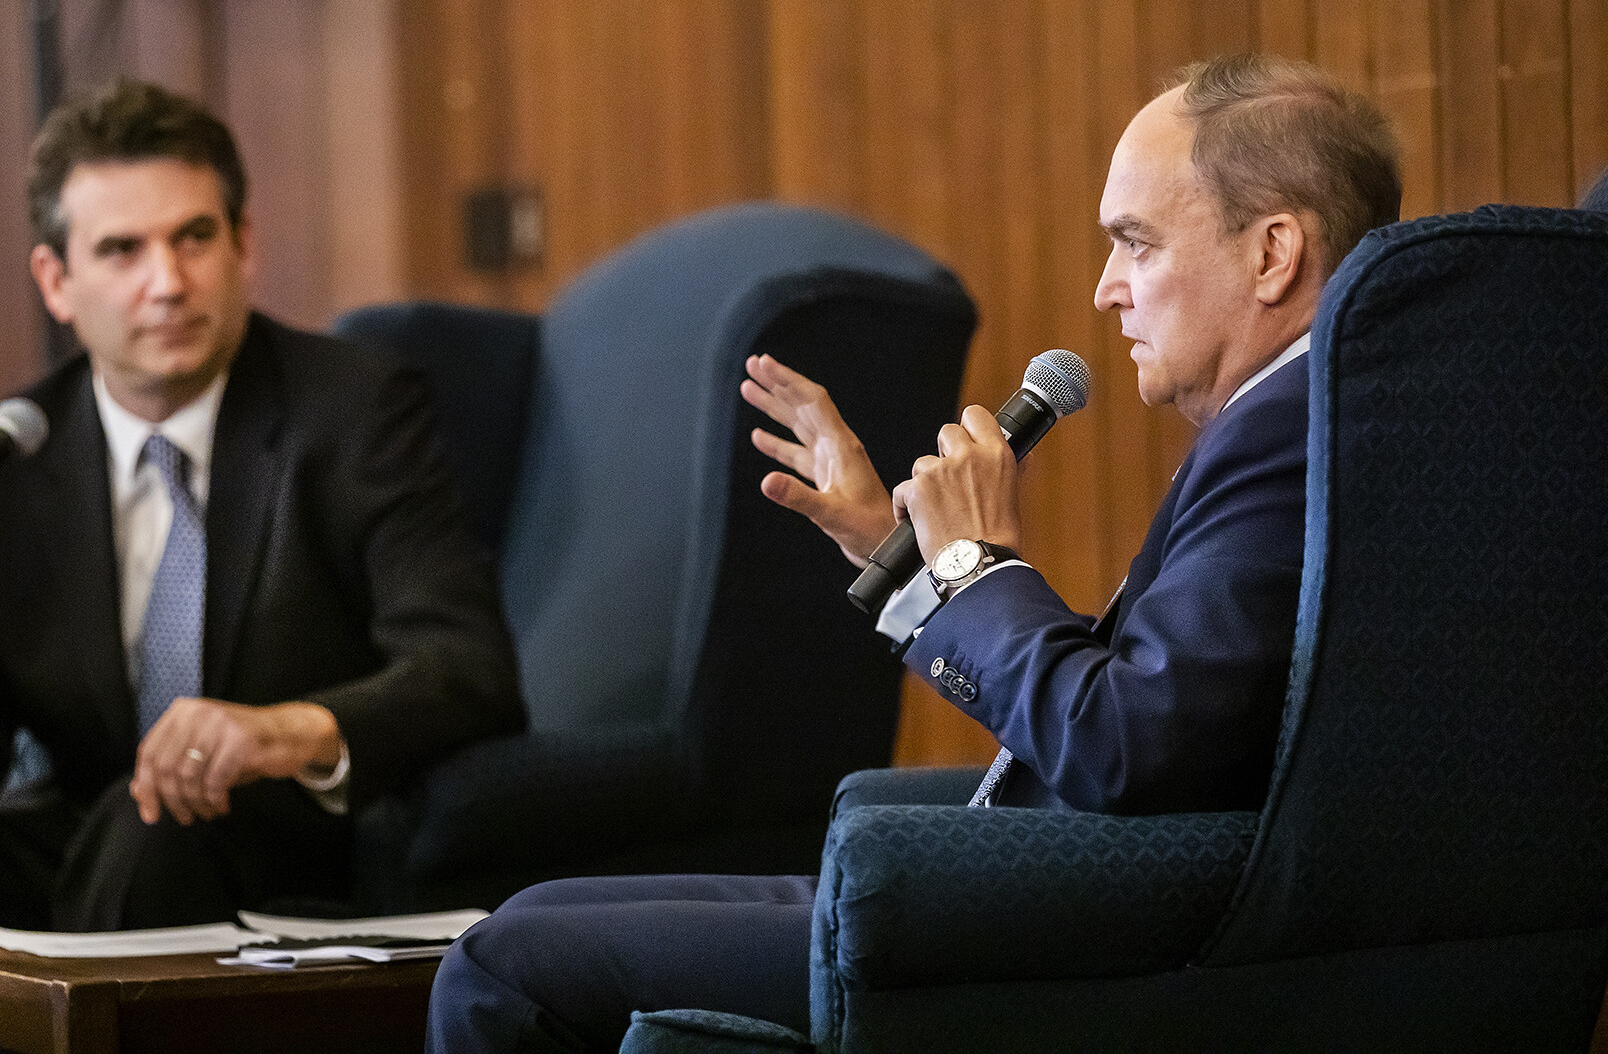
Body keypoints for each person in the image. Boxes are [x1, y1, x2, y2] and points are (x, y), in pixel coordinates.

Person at [425, 53, 1402, 1052]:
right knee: (529, 911)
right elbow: (1148, 716)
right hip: (1036, 884)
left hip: (1065, 938)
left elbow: (1125, 745)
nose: (1105, 289)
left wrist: (976, 560)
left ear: (1273, 251)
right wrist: (904, 553)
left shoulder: (1290, 436)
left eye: (1134, 244)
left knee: (504, 970)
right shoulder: (1309, 414)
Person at [0, 80, 526, 1051]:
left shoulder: (356, 410)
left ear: (244, 245)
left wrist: (287, 729)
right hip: (80, 841)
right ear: (56, 279)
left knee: (157, 824)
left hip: (270, 837)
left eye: (193, 237)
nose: (166, 281)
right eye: (120, 249)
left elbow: (468, 667)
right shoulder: (0, 464)